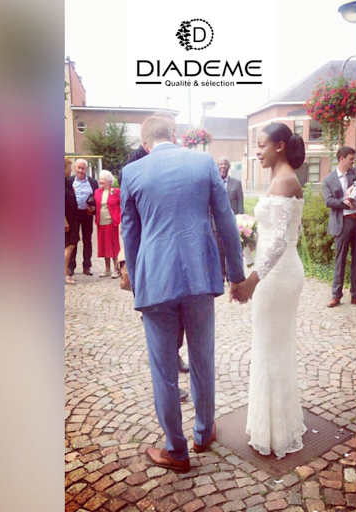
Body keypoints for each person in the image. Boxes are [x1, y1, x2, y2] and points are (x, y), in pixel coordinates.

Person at [121, 116, 245, 472]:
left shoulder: (132, 173)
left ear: (145, 144)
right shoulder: (203, 162)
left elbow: (130, 234)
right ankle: (203, 433)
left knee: (163, 369)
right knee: (202, 359)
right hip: (199, 277)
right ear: (174, 137)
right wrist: (236, 274)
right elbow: (226, 220)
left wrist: (139, 285)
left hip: (156, 283)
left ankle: (176, 450)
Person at [232, 122, 306, 459]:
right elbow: (273, 234)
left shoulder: (286, 180)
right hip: (274, 273)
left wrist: (252, 280)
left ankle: (276, 432)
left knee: (271, 349)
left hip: (277, 277)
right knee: (270, 347)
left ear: (279, 146)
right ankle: (275, 424)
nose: (257, 151)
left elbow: (278, 243)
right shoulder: (280, 179)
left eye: (261, 145)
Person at [120, 110, 191, 402]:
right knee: (160, 325)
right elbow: (130, 224)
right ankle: (168, 382)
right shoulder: (135, 165)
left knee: (178, 319)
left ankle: (175, 358)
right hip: (151, 259)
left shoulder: (176, 160)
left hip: (173, 255)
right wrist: (135, 275)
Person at [322, 146, 356, 307]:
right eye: (351, 159)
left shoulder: (355, 173)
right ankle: (336, 295)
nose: (353, 162)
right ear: (342, 158)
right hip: (342, 223)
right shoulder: (328, 180)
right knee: (340, 259)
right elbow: (328, 201)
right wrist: (346, 204)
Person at [214, 157, 244, 283]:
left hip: (232, 223)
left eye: (225, 164)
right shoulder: (214, 183)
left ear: (229, 167)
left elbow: (240, 204)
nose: (222, 166)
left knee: (231, 250)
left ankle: (231, 275)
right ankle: (221, 275)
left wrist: (241, 221)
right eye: (220, 164)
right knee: (219, 250)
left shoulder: (236, 183)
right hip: (216, 224)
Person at [68, 159, 99, 277]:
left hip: (87, 214)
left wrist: (94, 208)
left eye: (83, 168)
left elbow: (97, 198)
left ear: (86, 169)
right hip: (74, 214)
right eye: (78, 168)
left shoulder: (93, 182)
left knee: (87, 240)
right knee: (73, 240)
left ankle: (87, 266)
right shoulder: (69, 181)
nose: (80, 170)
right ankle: (71, 266)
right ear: (75, 168)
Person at [94, 170, 121, 278]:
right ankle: (107, 269)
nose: (100, 181)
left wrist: (119, 216)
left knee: (113, 246)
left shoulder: (116, 191)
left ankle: (117, 269)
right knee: (104, 246)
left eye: (103, 179)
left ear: (109, 181)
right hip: (100, 222)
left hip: (111, 222)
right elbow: (96, 205)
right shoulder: (97, 192)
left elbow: (123, 204)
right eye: (100, 179)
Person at [65, 158, 79, 285]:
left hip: (72, 218)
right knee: (69, 245)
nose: (71, 170)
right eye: (69, 167)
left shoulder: (67, 182)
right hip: (67, 220)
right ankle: (64, 274)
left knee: (70, 245)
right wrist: (64, 221)